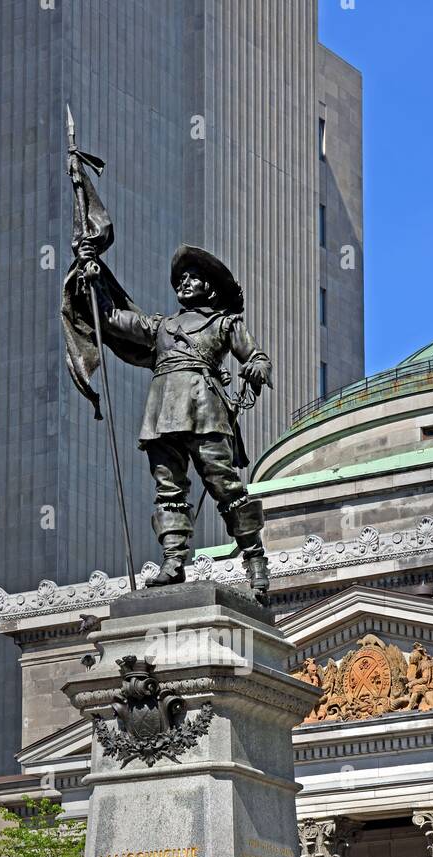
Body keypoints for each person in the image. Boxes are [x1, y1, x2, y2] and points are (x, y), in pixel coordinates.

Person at [78, 242, 274, 602]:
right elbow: (113, 320)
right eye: (180, 278)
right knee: (168, 491)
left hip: (205, 409)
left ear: (209, 287)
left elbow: (256, 355)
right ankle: (173, 561)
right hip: (163, 410)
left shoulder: (225, 323)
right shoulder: (161, 326)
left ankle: (255, 559)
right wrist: (92, 278)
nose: (183, 282)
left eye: (192, 277)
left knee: (225, 485)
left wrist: (257, 367)